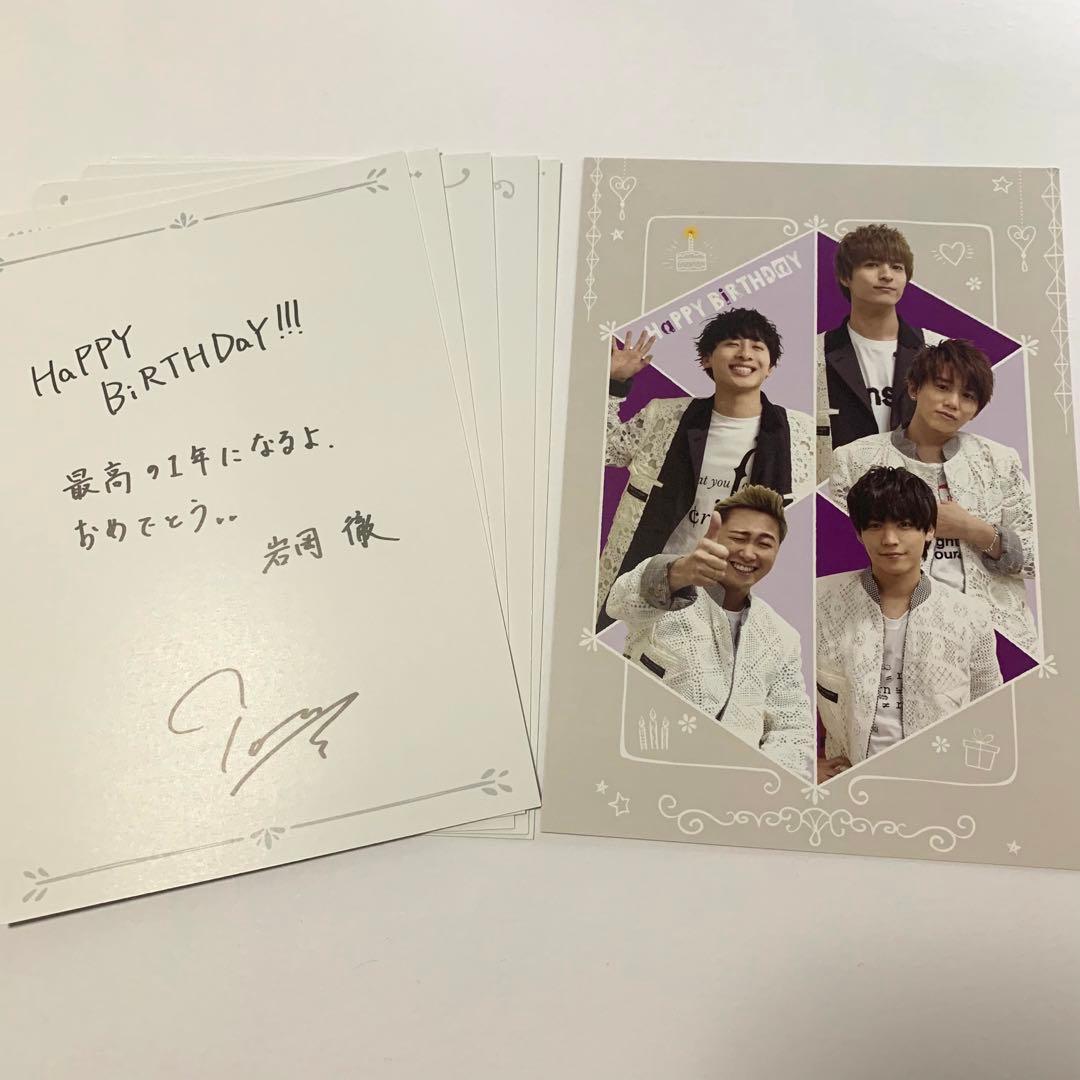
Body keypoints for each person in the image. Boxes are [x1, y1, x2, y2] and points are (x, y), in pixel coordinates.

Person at [598, 306, 814, 629]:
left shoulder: (801, 433)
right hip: (655, 586)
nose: (745, 354)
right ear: (706, 359)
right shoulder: (664, 417)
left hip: (743, 596)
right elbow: (604, 450)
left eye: (757, 347)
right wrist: (615, 382)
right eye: (732, 343)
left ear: (770, 367)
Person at [829, 338, 1037, 651]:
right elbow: (842, 557)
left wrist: (973, 529)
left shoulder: (999, 461)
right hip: (892, 634)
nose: (953, 402)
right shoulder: (855, 459)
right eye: (942, 387)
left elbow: (1037, 558)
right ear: (914, 388)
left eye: (968, 396)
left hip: (998, 635)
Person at [606, 485, 813, 778]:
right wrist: (678, 573)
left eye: (764, 543)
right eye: (738, 538)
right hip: (644, 772)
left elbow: (793, 728)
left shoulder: (783, 636)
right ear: (714, 536)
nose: (748, 553)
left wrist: (755, 781)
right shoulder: (670, 591)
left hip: (735, 789)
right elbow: (618, 602)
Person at [816, 466, 1002, 779]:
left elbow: (991, 710)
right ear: (859, 533)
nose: (890, 539)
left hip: (939, 783)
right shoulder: (820, 600)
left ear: (929, 530)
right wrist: (804, 763)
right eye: (875, 526)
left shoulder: (970, 615)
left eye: (904, 525)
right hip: (848, 785)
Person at [816, 223, 944, 482]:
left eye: (897, 267)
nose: (886, 275)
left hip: (919, 495)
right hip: (838, 494)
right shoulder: (815, 353)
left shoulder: (937, 350)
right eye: (872, 264)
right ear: (846, 277)